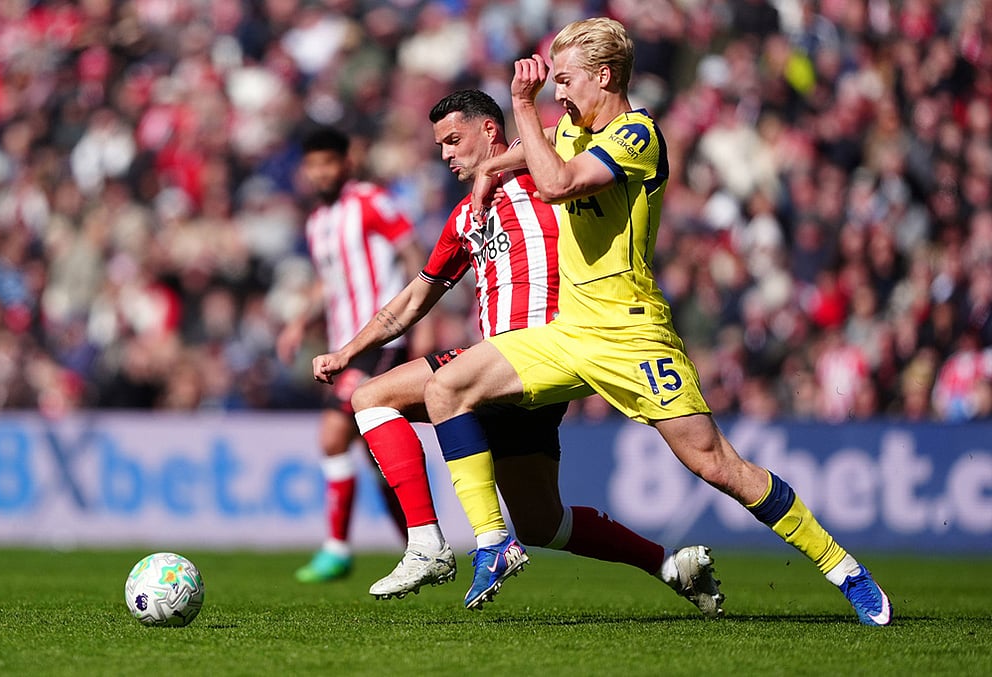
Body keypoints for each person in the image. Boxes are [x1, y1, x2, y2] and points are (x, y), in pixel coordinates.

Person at [420, 18, 893, 625]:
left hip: (632, 334)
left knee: (717, 465)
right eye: (554, 83)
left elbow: (559, 181)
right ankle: (492, 543)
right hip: (567, 333)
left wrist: (520, 106)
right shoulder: (569, 127)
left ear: (605, 75)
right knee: (447, 387)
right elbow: (532, 154)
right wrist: (490, 170)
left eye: (566, 80)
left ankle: (844, 569)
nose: (558, 93)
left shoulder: (636, 135)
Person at [312, 89, 722, 614]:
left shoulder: (549, 181)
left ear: (489, 131)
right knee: (542, 523)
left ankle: (428, 544)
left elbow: (573, 141)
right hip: (501, 374)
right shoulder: (465, 217)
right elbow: (416, 297)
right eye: (439, 146)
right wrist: (347, 350)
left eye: (453, 140)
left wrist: (518, 135)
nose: (446, 156)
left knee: (372, 398)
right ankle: (670, 565)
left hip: (541, 354)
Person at [278, 125, 423, 582]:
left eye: (328, 162)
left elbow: (412, 251)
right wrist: (300, 321)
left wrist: (425, 319)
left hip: (382, 341)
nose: (320, 172)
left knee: (332, 436)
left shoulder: (370, 201)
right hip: (345, 346)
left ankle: (338, 550)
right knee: (376, 457)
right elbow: (331, 278)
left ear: (346, 162)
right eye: (312, 164)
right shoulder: (318, 221)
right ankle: (419, 546)